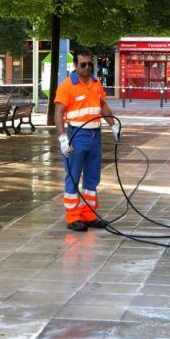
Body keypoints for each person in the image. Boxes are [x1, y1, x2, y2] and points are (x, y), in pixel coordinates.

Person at [54, 47, 121, 231]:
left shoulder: (95, 82)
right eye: (83, 64)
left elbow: (103, 105)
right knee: (74, 176)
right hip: (77, 134)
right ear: (75, 65)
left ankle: (89, 213)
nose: (87, 68)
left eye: (90, 64)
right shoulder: (67, 86)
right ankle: (73, 217)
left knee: (92, 177)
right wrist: (62, 138)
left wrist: (112, 125)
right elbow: (58, 113)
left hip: (95, 135)